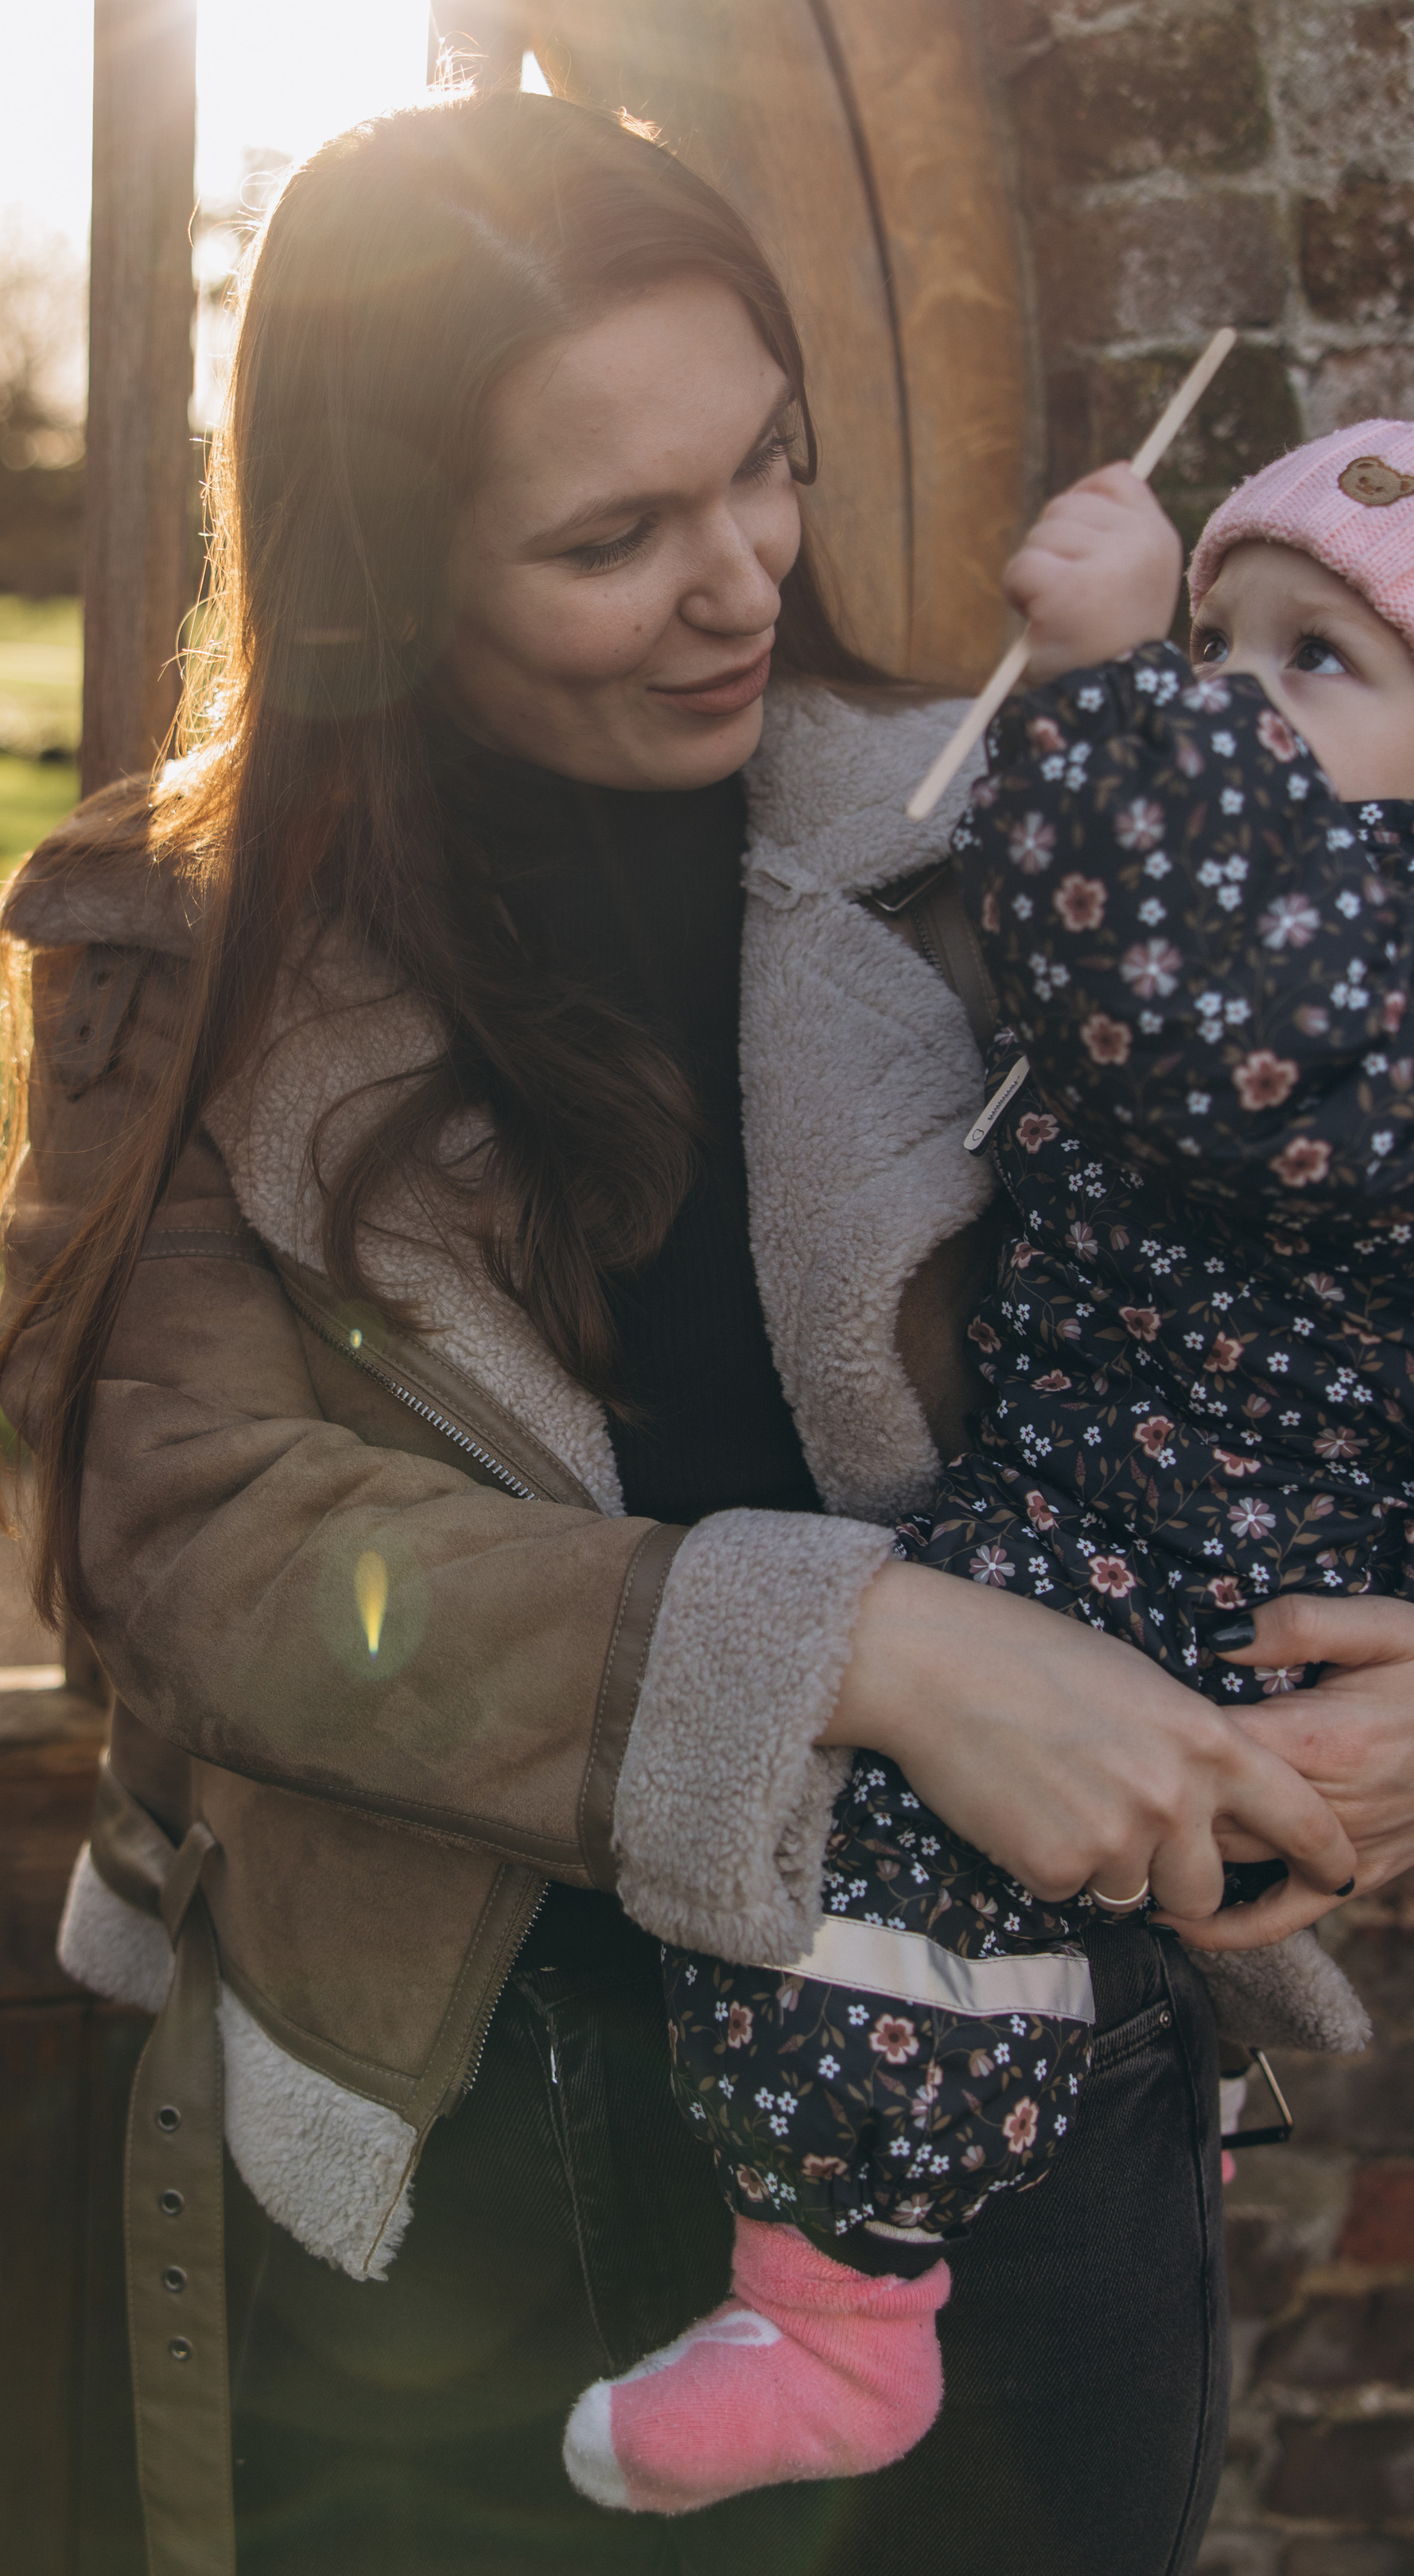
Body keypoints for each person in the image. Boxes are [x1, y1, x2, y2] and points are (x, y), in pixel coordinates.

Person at [0, 91, 1411, 2576]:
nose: (743, 576)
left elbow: (1316, 1266)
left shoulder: (1008, 828)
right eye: (609, 539)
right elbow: (186, 1545)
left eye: (769, 466)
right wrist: (869, 1651)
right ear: (378, 571)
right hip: (466, 2159)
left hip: (1025, 2157)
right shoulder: (169, 957)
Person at [569, 421, 1414, 2516]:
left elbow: (1206, 1031)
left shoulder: (1349, 960)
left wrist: (1124, 678)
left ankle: (840, 2314)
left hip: (1183, 1548)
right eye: (1227, 637)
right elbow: (1097, 943)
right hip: (1115, 1495)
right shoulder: (1253, 876)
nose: (1233, 695)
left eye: (1322, 660)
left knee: (889, 1866)